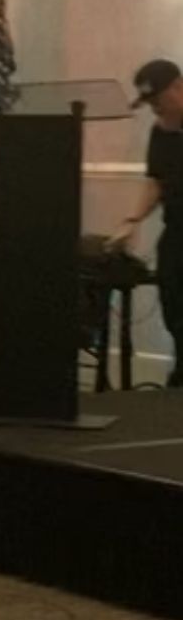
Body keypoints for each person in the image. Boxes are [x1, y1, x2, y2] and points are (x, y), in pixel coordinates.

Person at [111, 58, 183, 387]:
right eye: (149, 103)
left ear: (178, 88)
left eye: (158, 99)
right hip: (178, 230)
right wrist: (132, 220)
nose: (154, 108)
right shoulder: (160, 132)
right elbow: (156, 181)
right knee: (174, 305)